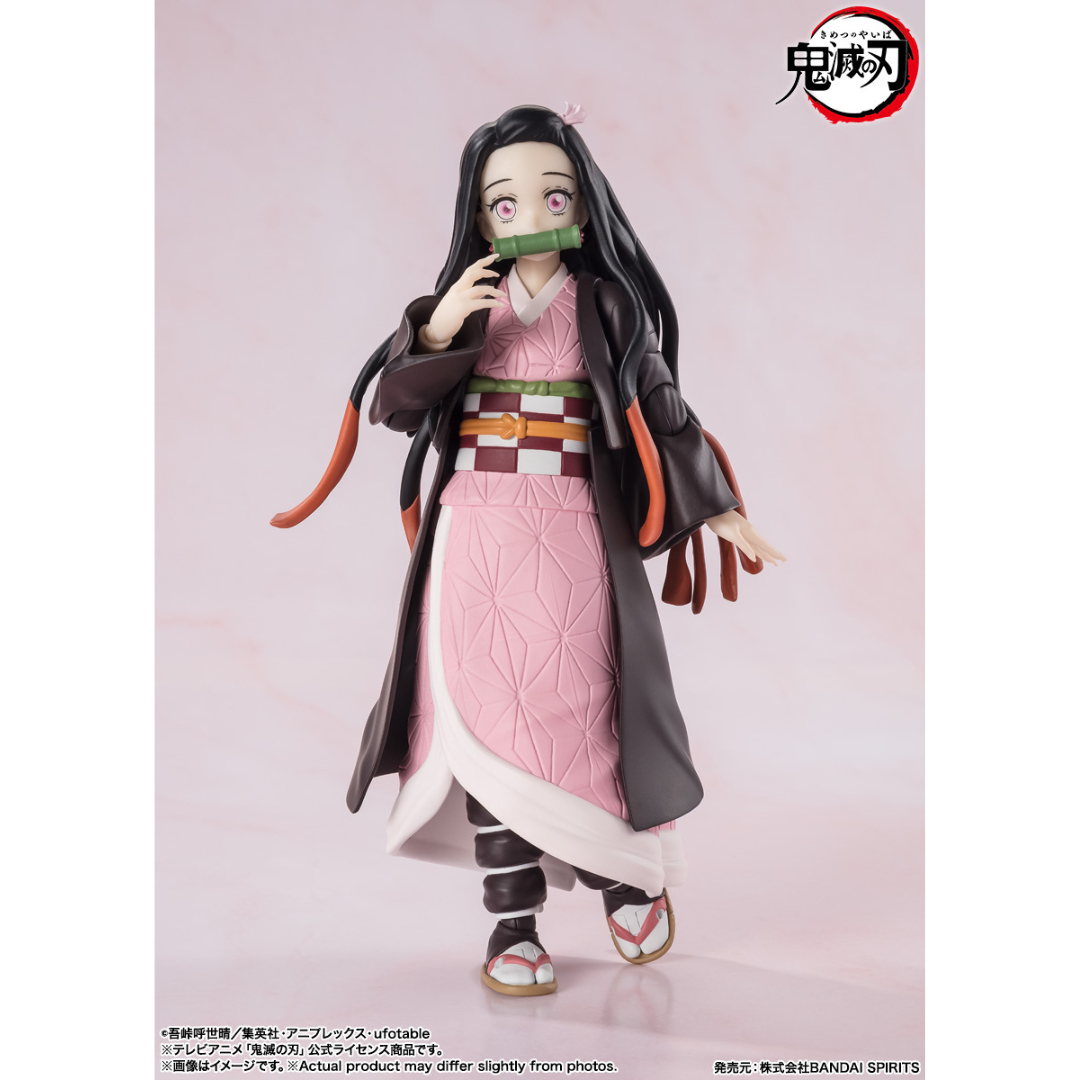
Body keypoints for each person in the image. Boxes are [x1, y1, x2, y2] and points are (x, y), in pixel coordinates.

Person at [273, 104, 784, 996]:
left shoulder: (606, 303)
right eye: (504, 201)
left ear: (582, 204)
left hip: (576, 525)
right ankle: (512, 921)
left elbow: (661, 406)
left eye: (554, 194)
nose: (531, 213)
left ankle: (624, 879)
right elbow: (394, 407)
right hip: (475, 528)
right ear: (480, 215)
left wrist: (719, 507)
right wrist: (437, 332)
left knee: (584, 711)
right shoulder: (466, 303)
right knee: (482, 723)